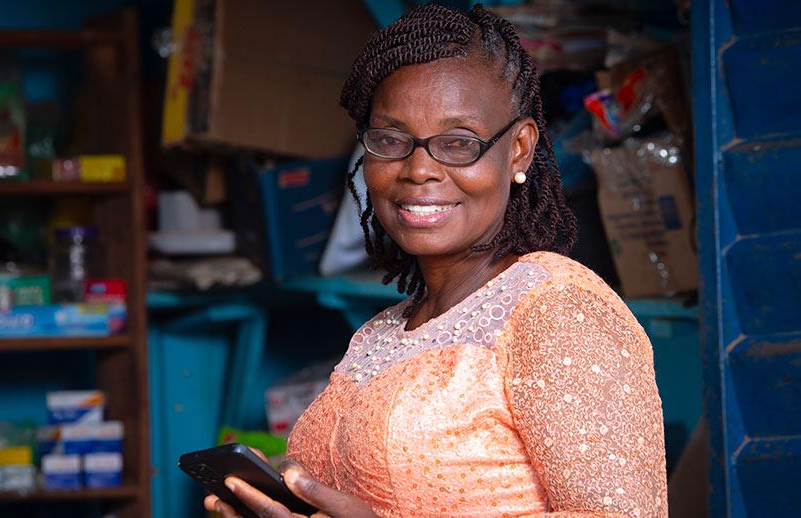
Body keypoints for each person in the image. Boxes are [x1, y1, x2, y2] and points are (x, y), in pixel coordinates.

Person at [206, 4, 667, 517]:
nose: (419, 169)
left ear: (518, 150)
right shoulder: (383, 333)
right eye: (390, 140)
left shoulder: (559, 312)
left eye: (457, 143)